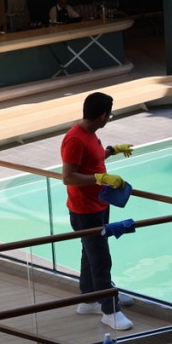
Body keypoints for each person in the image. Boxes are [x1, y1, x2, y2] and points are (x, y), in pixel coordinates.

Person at [61, 92, 136, 331]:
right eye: (109, 114)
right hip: (85, 211)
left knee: (89, 253)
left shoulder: (91, 134)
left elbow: (92, 160)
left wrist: (112, 150)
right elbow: (68, 176)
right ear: (103, 115)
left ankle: (89, 299)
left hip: (99, 204)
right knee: (101, 259)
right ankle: (109, 310)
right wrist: (100, 177)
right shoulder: (75, 139)